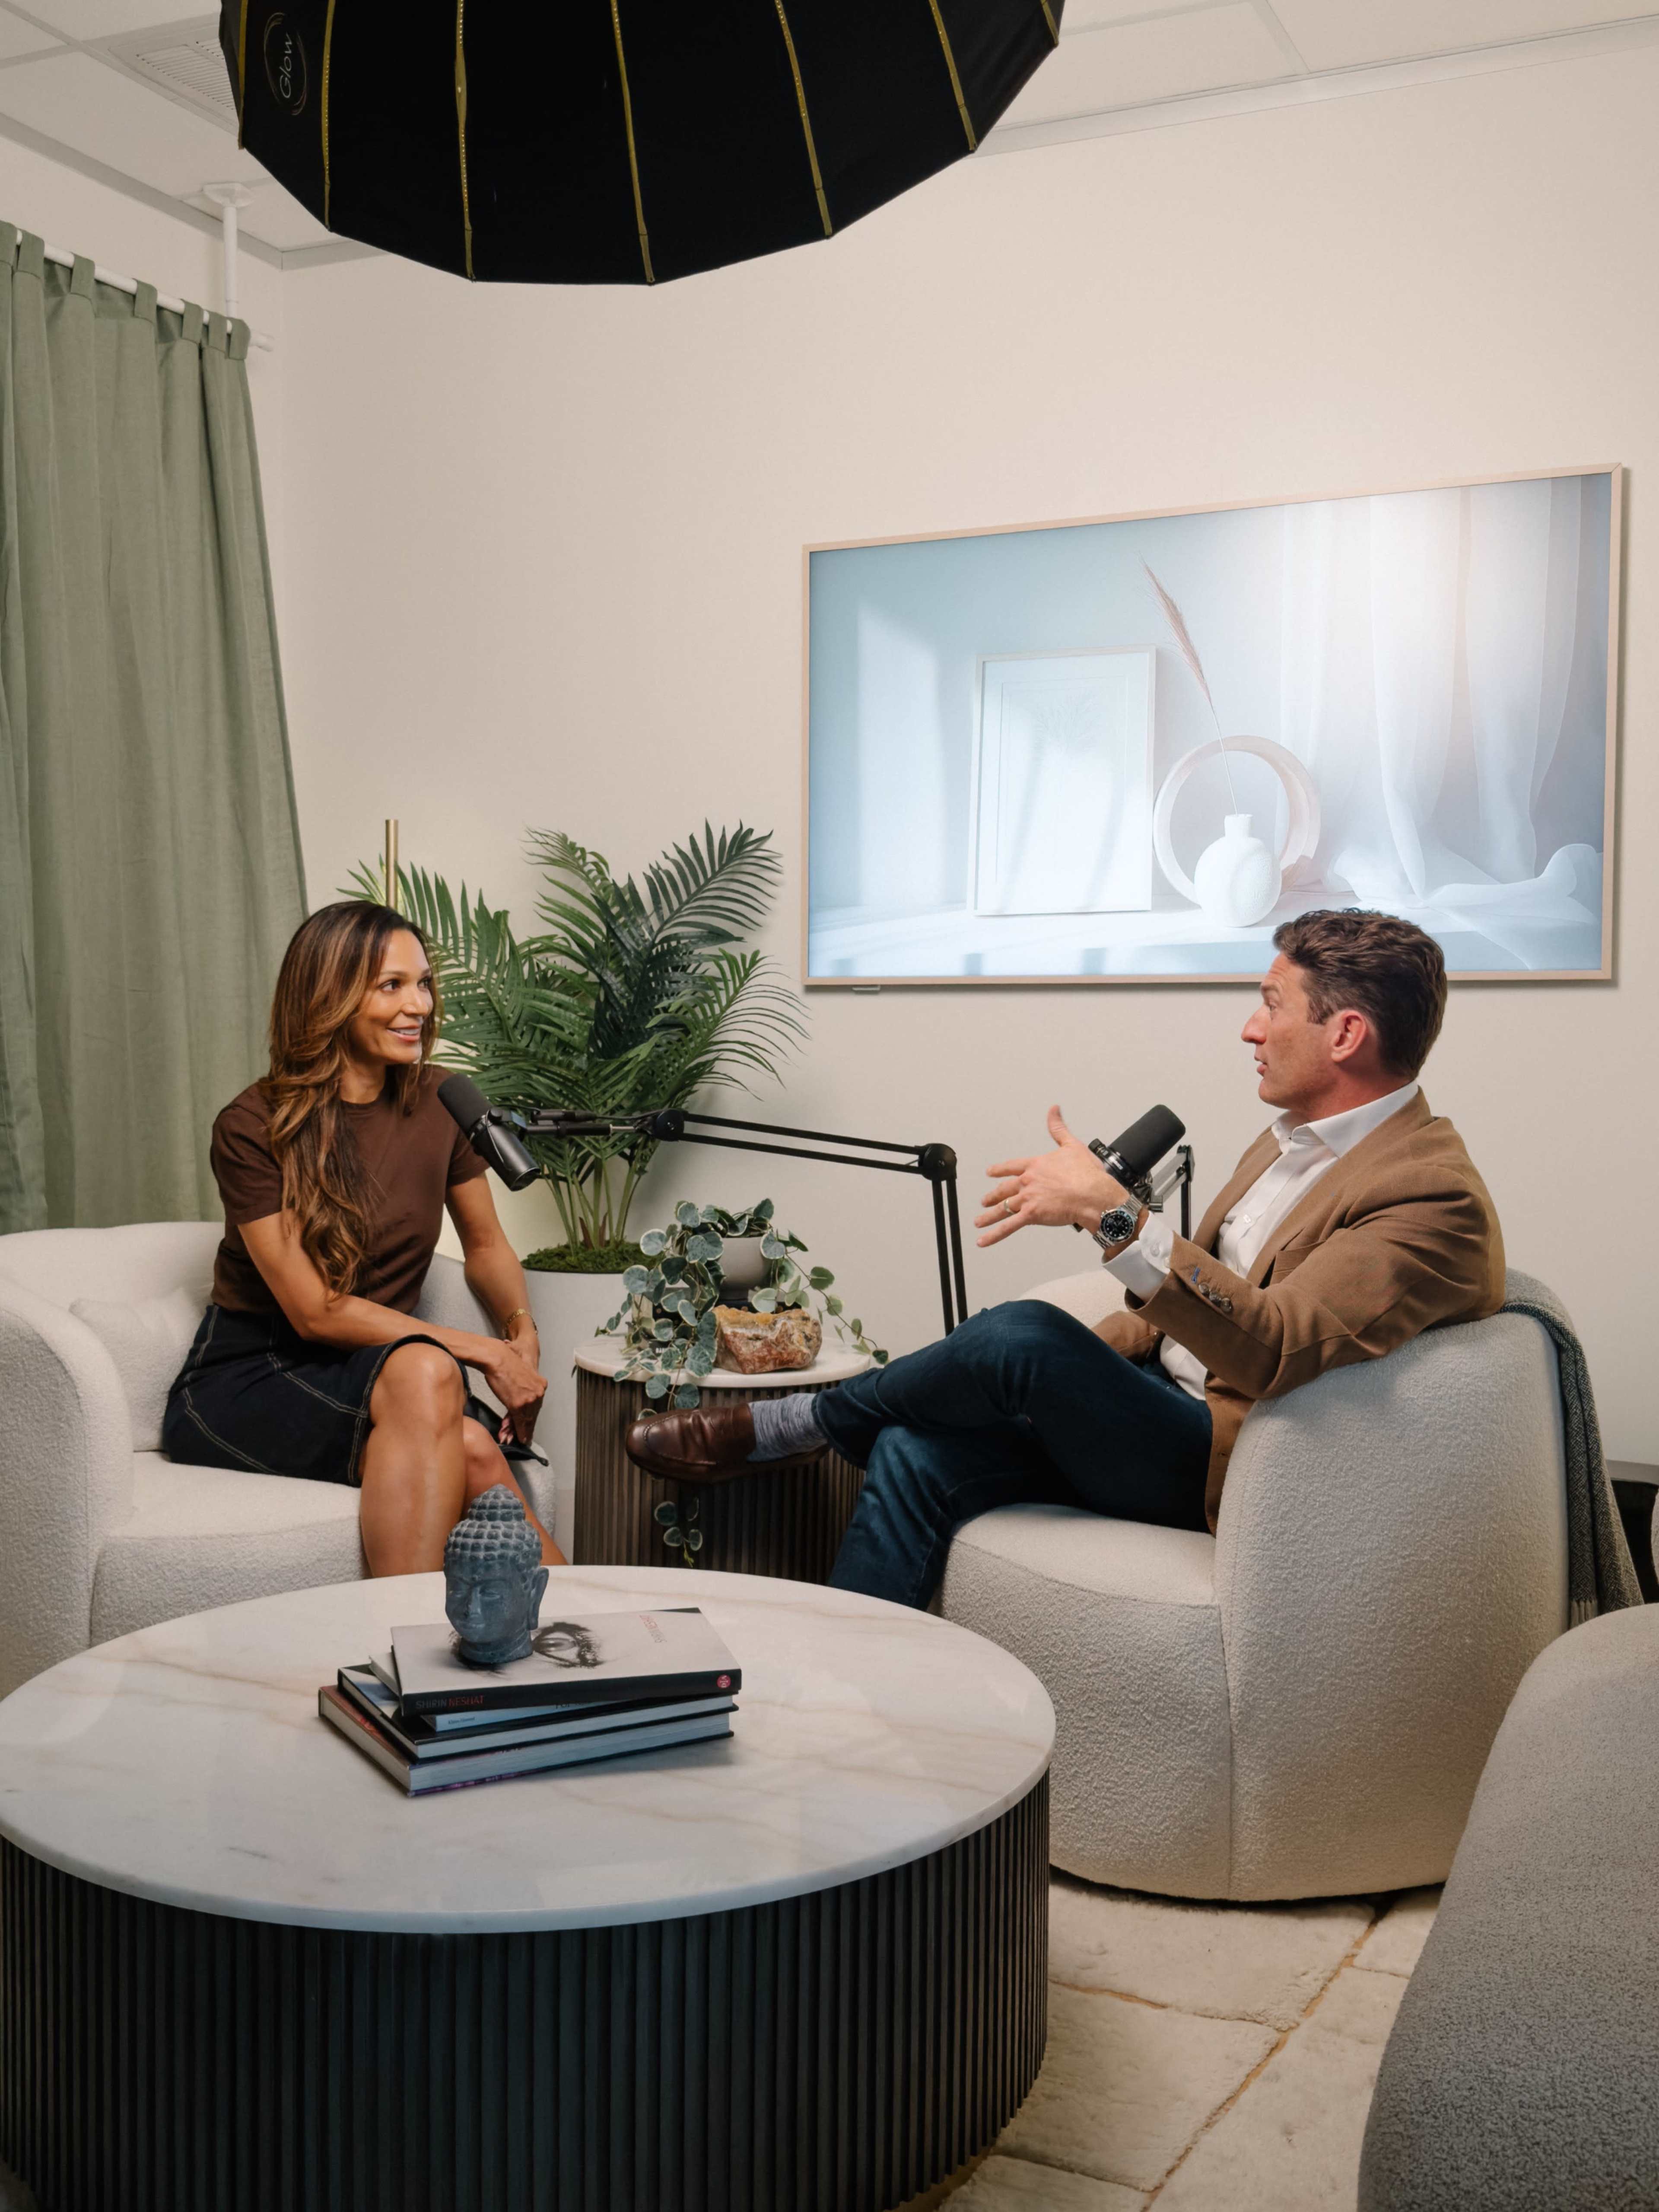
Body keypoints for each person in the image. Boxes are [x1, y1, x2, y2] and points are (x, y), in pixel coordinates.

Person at [623, 908, 1504, 1609]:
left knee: (1022, 1337)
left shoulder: (1430, 1195)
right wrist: (1069, 1361)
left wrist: (1112, 1215)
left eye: (1273, 1004)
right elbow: (1198, 1302)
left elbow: (1275, 1345)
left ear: (1345, 1035)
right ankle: (851, 1707)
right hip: (1152, 1403)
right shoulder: (1291, 1142)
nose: (1250, 1028)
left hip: (1222, 1458)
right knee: (915, 1443)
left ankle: (796, 1425)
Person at [162, 901, 564, 1576]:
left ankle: (591, 1629)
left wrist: (521, 1332)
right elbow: (315, 1312)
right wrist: (487, 1353)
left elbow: (487, 1245)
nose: (420, 1006)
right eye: (391, 986)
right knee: (430, 1371)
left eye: (424, 983)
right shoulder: (252, 1126)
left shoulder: (443, 1101)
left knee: (470, 1442)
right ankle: (406, 1629)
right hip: (257, 1372)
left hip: (385, 1369)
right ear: (330, 997)